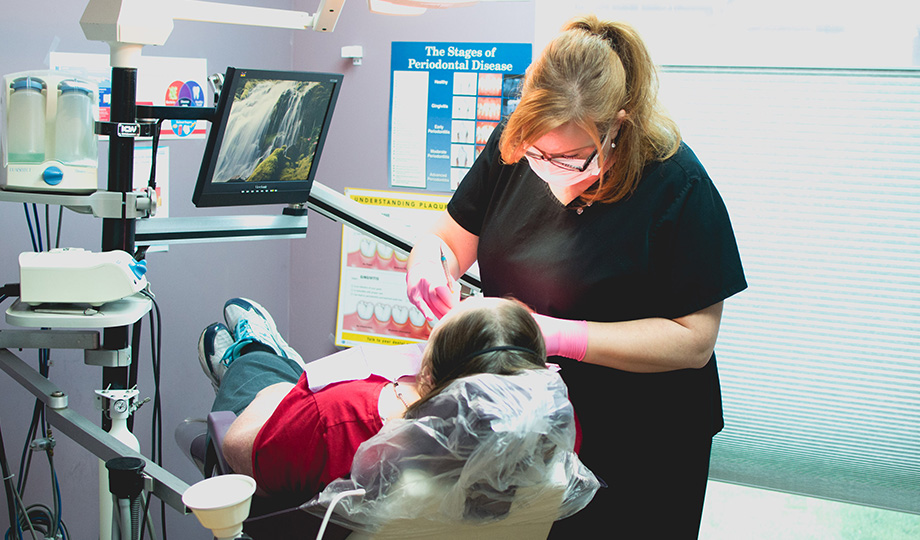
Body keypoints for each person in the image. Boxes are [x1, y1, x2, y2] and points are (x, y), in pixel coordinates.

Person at [406, 15, 747, 538]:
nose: (548, 167)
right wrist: (430, 261)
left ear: (618, 127)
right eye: (538, 154)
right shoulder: (516, 145)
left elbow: (693, 340)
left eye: (571, 157)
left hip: (644, 436)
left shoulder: (677, 185)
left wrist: (560, 334)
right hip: (531, 417)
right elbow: (449, 239)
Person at [197, 296, 584, 507]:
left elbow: (238, 451)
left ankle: (252, 355)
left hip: (287, 430)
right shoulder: (556, 438)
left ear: (427, 373)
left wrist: (283, 396)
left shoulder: (342, 418)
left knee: (259, 375)